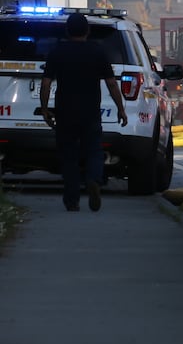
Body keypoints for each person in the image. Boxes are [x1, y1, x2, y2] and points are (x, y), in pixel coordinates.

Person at [39, 13, 127, 211]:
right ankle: (94, 180)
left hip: (65, 113)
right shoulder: (97, 52)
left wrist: (45, 109)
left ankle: (72, 201)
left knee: (68, 156)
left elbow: (45, 84)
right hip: (91, 113)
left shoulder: (57, 53)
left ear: (67, 31)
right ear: (87, 31)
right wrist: (121, 109)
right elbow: (112, 84)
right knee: (94, 151)